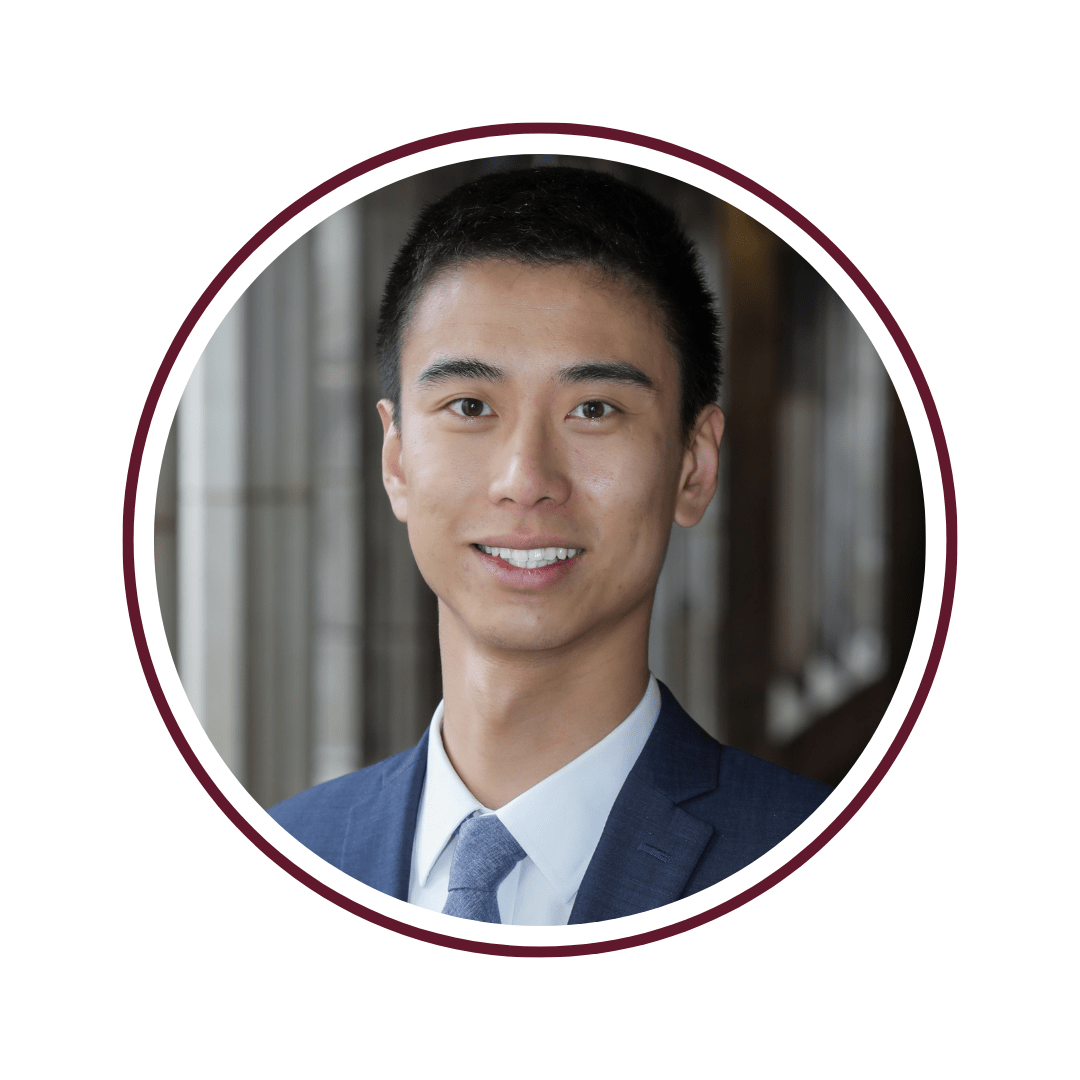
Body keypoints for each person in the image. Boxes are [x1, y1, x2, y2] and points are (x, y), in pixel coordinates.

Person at [270, 166, 830, 925]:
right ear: (396, 461)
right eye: (470, 406)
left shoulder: (814, 860)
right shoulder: (286, 853)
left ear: (693, 467)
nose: (525, 479)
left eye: (593, 409)